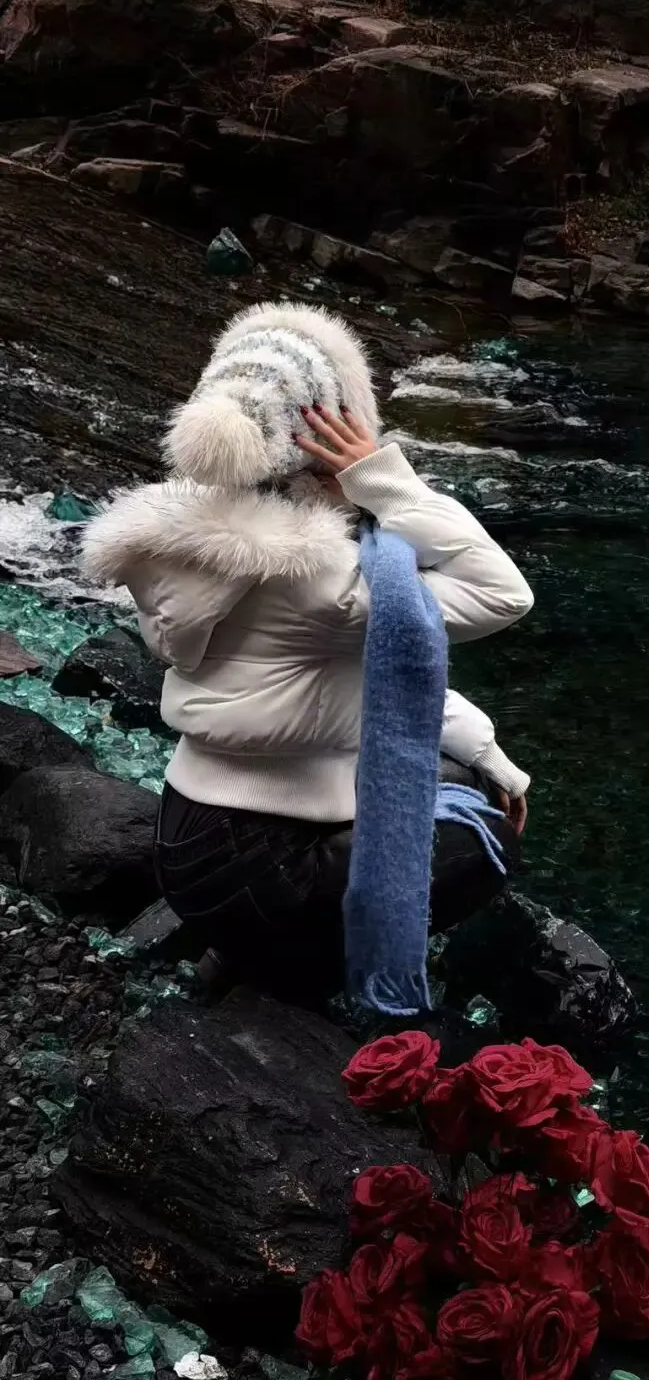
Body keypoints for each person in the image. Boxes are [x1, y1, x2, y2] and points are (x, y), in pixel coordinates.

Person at [81, 302, 534, 1010]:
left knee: (453, 770)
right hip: (263, 871)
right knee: (487, 835)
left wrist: (483, 747)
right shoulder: (319, 579)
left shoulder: (178, 543)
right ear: (324, 436)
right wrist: (383, 478)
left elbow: (369, 673)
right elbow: (503, 594)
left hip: (190, 841)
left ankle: (242, 950)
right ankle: (304, 973)